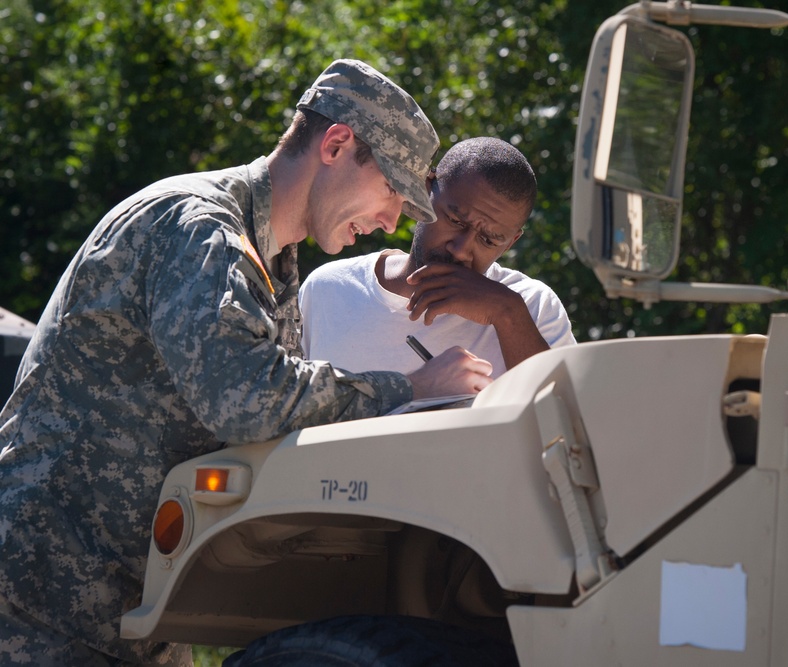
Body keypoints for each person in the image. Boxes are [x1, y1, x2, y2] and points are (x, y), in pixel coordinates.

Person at [0, 59, 494, 666]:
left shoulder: (272, 264)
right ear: (336, 144)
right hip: (43, 595)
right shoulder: (196, 229)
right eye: (392, 190)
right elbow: (249, 402)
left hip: (125, 604)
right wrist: (410, 387)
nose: (392, 222)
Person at [300, 137, 576, 379]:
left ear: (510, 243)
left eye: (488, 240)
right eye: (455, 220)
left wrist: (508, 315)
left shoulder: (532, 306)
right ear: (426, 190)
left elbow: (568, 420)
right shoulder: (329, 289)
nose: (460, 249)